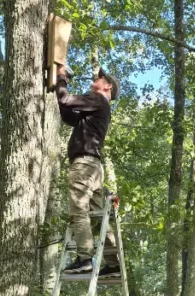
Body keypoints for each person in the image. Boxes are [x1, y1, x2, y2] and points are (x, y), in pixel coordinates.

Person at [54, 64, 121, 276]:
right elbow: (67, 114)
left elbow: (65, 99)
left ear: (107, 86)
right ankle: (112, 263)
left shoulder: (98, 98)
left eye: (100, 78)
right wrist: (61, 86)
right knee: (97, 215)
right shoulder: (97, 108)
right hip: (94, 168)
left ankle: (85, 258)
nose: (96, 79)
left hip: (84, 165)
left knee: (79, 209)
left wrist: (61, 78)